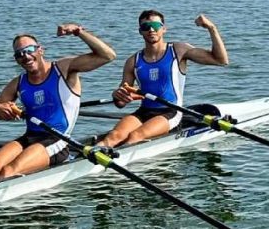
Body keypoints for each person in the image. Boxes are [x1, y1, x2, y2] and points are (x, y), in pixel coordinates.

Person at [0, 24, 116, 193]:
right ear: (16, 59)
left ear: (40, 50)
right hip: (29, 137)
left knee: (9, 171)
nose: (26, 56)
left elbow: (108, 55)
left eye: (29, 50)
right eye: (20, 54)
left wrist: (79, 32)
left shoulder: (64, 68)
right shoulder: (18, 83)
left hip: (57, 140)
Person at [98, 10, 229, 148]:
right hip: (143, 111)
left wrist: (211, 28)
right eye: (146, 27)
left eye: (156, 25)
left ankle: (119, 160)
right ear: (140, 31)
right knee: (114, 136)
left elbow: (221, 60)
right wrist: (117, 95)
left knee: (135, 136)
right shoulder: (133, 61)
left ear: (164, 29)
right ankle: (91, 156)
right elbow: (120, 103)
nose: (151, 30)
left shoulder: (179, 51)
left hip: (171, 112)